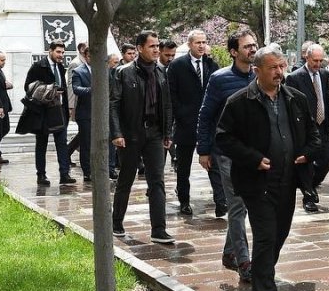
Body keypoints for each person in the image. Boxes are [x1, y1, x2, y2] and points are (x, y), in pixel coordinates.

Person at [216, 44, 320, 291]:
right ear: (257, 70)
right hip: (256, 182)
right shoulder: (240, 101)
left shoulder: (295, 98)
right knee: (265, 235)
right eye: (272, 67)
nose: (278, 72)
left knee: (280, 234)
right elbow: (224, 138)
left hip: (288, 180)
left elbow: (313, 134)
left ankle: (263, 274)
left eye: (281, 66)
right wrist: (252, 158)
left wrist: (306, 154)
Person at [198, 30, 259, 283]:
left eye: (254, 45)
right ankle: (244, 261)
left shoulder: (260, 76)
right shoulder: (219, 79)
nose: (252, 50)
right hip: (226, 153)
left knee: (243, 206)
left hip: (255, 153)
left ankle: (228, 253)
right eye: (246, 46)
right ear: (234, 51)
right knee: (236, 206)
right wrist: (203, 149)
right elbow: (206, 114)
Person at [110, 30, 175, 243]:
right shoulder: (124, 72)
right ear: (139, 48)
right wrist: (117, 133)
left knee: (157, 181)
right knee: (126, 178)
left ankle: (159, 229)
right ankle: (116, 221)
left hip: (155, 133)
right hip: (131, 134)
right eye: (152, 46)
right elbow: (114, 104)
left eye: (157, 46)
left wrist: (167, 133)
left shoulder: (161, 72)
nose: (156, 50)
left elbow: (166, 105)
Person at [166, 28, 221, 216]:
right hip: (185, 124)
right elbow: (172, 95)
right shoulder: (177, 66)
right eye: (198, 42)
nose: (202, 46)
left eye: (204, 42)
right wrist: (179, 115)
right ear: (189, 44)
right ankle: (184, 200)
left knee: (213, 164)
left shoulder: (212, 65)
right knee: (183, 168)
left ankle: (220, 200)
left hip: (208, 124)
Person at [285, 42, 329, 213]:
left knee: (327, 158)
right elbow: (291, 103)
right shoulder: (295, 77)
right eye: (315, 61)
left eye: (321, 61)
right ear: (307, 57)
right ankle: (309, 197)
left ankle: (310, 186)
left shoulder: (326, 75)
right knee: (306, 162)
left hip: (323, 125)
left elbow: (327, 99)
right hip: (305, 128)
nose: (318, 64)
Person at [24, 40, 74, 186]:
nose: (61, 55)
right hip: (43, 112)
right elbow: (28, 87)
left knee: (62, 143)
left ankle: (64, 174)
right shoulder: (38, 66)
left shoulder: (60, 66)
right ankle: (41, 175)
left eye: (63, 52)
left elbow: (63, 87)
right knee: (41, 144)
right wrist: (49, 90)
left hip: (59, 111)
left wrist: (67, 108)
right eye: (58, 52)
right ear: (50, 51)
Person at [69, 46, 94, 181]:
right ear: (85, 56)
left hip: (101, 113)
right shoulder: (78, 71)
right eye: (90, 56)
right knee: (86, 143)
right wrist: (92, 89)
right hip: (85, 113)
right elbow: (76, 89)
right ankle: (87, 171)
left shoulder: (103, 69)